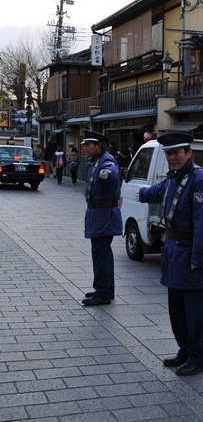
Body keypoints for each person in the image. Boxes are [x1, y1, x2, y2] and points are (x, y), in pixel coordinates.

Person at [137, 131, 203, 376]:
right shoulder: (174, 177)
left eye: (176, 153)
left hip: (191, 251)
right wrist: (135, 191)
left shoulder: (199, 179)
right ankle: (184, 349)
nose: (172, 157)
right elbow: (155, 192)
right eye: (168, 153)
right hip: (174, 252)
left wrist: (198, 259)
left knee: (194, 312)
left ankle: (198, 357)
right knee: (177, 309)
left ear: (188, 153)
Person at [81, 130, 123, 306]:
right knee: (101, 253)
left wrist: (106, 173)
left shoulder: (106, 160)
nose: (85, 148)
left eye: (89, 145)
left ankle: (103, 293)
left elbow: (111, 170)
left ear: (99, 145)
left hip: (104, 215)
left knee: (101, 254)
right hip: (97, 214)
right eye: (84, 145)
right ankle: (104, 289)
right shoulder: (94, 160)